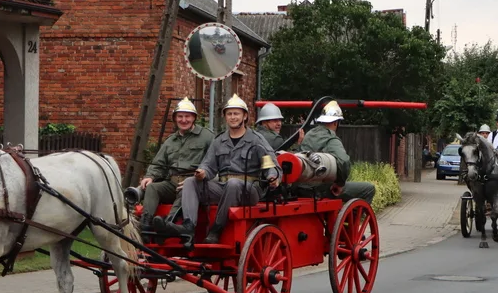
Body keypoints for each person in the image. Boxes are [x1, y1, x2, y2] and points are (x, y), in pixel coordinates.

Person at [154, 94, 281, 246]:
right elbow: (208, 165)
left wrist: (273, 177)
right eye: (229, 114)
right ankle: (188, 228)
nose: (233, 117)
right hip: (223, 187)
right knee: (190, 182)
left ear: (245, 116)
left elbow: (269, 164)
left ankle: (216, 229)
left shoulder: (256, 139)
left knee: (233, 184)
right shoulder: (219, 140)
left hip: (249, 191)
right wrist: (202, 173)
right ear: (225, 117)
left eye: (236, 113)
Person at [136, 97, 214, 236]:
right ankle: (145, 225)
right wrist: (150, 176)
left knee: (185, 191)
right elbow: (158, 163)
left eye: (187, 116)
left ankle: (168, 224)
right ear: (175, 118)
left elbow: (213, 161)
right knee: (152, 188)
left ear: (194, 118)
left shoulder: (207, 137)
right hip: (171, 183)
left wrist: (197, 179)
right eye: (180, 116)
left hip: (192, 184)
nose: (183, 120)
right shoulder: (170, 141)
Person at [294, 100, 377, 204]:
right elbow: (344, 162)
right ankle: (346, 217)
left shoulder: (309, 134)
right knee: (368, 189)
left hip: (300, 188)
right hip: (319, 190)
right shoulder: (331, 138)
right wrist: (340, 184)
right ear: (335, 122)